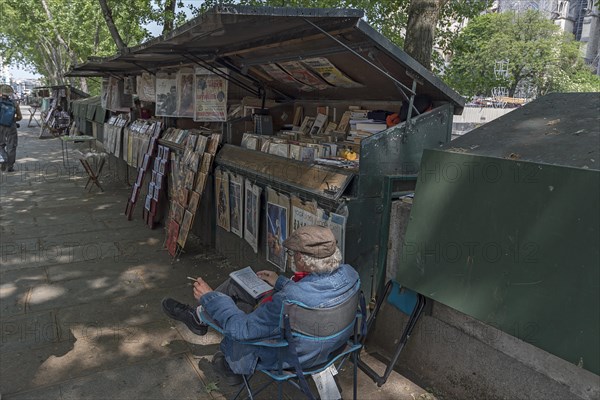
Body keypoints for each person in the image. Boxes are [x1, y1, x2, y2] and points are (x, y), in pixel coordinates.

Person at [162, 225, 359, 385]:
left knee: (228, 314)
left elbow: (243, 329)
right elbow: (316, 293)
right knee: (236, 284)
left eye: (293, 255)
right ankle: (197, 319)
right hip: (333, 346)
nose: (293, 259)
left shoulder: (289, 300)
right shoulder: (351, 275)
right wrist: (280, 282)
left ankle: (230, 365)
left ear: (301, 258)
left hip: (294, 357)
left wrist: (211, 297)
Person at [0, 84, 22, 172]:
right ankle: (10, 167)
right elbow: (19, 117)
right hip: (11, 126)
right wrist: (12, 120)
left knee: (0, 145)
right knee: (12, 146)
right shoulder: (14, 103)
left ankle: (4, 159)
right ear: (10, 93)